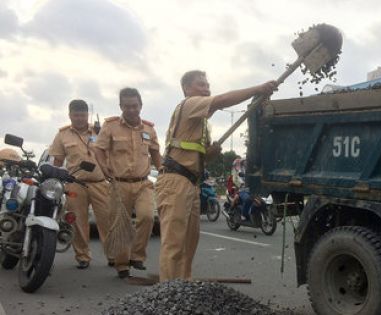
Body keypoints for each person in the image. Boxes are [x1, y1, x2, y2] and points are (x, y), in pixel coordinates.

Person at [156, 70, 276, 281]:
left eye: (207, 85)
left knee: (189, 243)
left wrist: (209, 154)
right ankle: (167, 293)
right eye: (200, 84)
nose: (206, 88)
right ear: (186, 89)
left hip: (192, 181)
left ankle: (183, 288)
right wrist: (257, 89)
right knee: (174, 244)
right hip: (175, 180)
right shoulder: (189, 104)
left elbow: (200, 159)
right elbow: (221, 101)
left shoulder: (201, 125)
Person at [93, 88, 161, 278]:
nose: (131, 110)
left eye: (135, 106)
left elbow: (155, 154)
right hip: (119, 184)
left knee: (147, 217)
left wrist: (163, 171)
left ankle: (137, 256)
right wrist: (103, 166)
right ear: (121, 106)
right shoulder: (111, 126)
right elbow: (99, 149)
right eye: (127, 106)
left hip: (143, 183)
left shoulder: (149, 129)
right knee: (120, 223)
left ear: (141, 105)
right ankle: (122, 264)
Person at [48, 100, 112, 269]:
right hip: (75, 183)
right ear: (70, 115)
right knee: (77, 222)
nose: (79, 119)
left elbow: (111, 153)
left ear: (87, 115)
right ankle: (83, 256)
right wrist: (55, 181)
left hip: (100, 183)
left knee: (107, 220)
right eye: (76, 115)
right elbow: (58, 161)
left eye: (83, 115)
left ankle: (112, 255)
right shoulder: (62, 135)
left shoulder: (100, 131)